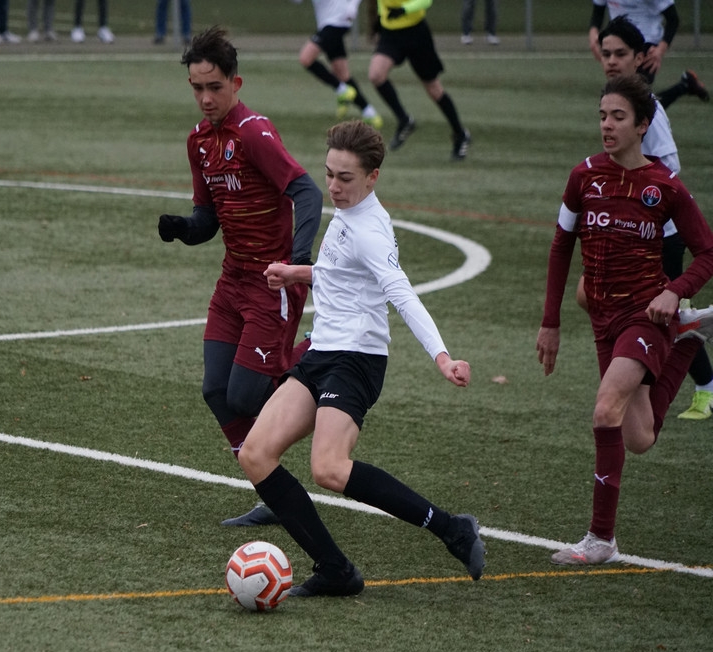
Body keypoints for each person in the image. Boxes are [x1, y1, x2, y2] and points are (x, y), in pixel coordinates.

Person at [236, 120, 485, 596]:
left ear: (373, 177)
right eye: (329, 174)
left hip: (356, 359)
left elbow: (401, 293)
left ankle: (453, 529)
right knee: (255, 454)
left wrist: (442, 358)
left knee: (329, 468)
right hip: (322, 352)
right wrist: (297, 272)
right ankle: (335, 570)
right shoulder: (348, 213)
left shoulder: (370, 229)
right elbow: (339, 273)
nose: (333, 186)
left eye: (345, 178)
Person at [537, 75, 713, 565]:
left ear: (643, 125)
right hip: (603, 318)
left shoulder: (665, 186)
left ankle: (601, 539)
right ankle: (690, 340)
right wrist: (550, 322)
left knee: (604, 409)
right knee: (638, 438)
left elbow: (707, 252)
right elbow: (560, 248)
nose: (607, 125)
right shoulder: (584, 176)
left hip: (644, 314)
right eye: (602, 116)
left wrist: (674, 290)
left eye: (618, 117)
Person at [158, 27, 323, 528]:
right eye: (197, 88)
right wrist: (183, 229)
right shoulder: (199, 141)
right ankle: (275, 494)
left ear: (236, 83)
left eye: (215, 87)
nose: (205, 98)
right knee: (216, 389)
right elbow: (207, 219)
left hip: (272, 283)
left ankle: (321, 356)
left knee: (247, 396)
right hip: (232, 282)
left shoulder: (253, 132)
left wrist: (296, 265)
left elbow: (307, 192)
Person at [587, 17, 713, 420]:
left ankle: (701, 378)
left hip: (655, 232)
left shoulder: (647, 113)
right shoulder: (628, 102)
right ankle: (657, 356)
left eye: (620, 54)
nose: (610, 61)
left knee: (652, 312)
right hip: (630, 229)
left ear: (640, 57)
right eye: (606, 53)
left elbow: (668, 169)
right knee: (590, 294)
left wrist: (641, 200)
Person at [368, 1, 472, 160]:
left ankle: (460, 134)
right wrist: (379, 20)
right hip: (390, 34)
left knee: (434, 89)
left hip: (416, 33)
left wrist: (404, 10)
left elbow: (426, 1)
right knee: (376, 75)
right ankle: (404, 120)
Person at [589, 0, 709, 108]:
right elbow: (598, 12)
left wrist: (660, 50)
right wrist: (593, 34)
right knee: (630, 97)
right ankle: (685, 85)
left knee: (637, 101)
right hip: (618, 44)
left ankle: (684, 86)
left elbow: (673, 19)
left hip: (646, 45)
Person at [298, 0, 383, 130]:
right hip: (330, 24)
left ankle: (341, 89)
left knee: (306, 58)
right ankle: (369, 112)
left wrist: (352, 6)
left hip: (336, 22)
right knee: (342, 74)